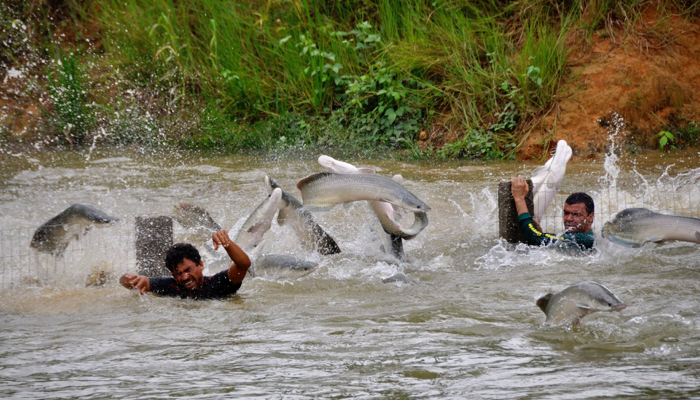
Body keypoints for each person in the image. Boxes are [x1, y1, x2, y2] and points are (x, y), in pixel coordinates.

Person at [119, 230, 251, 299]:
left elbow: (243, 264)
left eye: (188, 269)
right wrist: (133, 279)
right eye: (178, 274)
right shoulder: (171, 287)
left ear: (200, 264)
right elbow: (127, 282)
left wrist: (226, 242)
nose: (185, 277)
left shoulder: (217, 284)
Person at [510, 177, 595, 251]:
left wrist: (519, 199)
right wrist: (541, 235)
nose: (568, 218)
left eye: (576, 214)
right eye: (566, 213)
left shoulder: (585, 239)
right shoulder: (574, 239)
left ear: (590, 217)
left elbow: (534, 237)